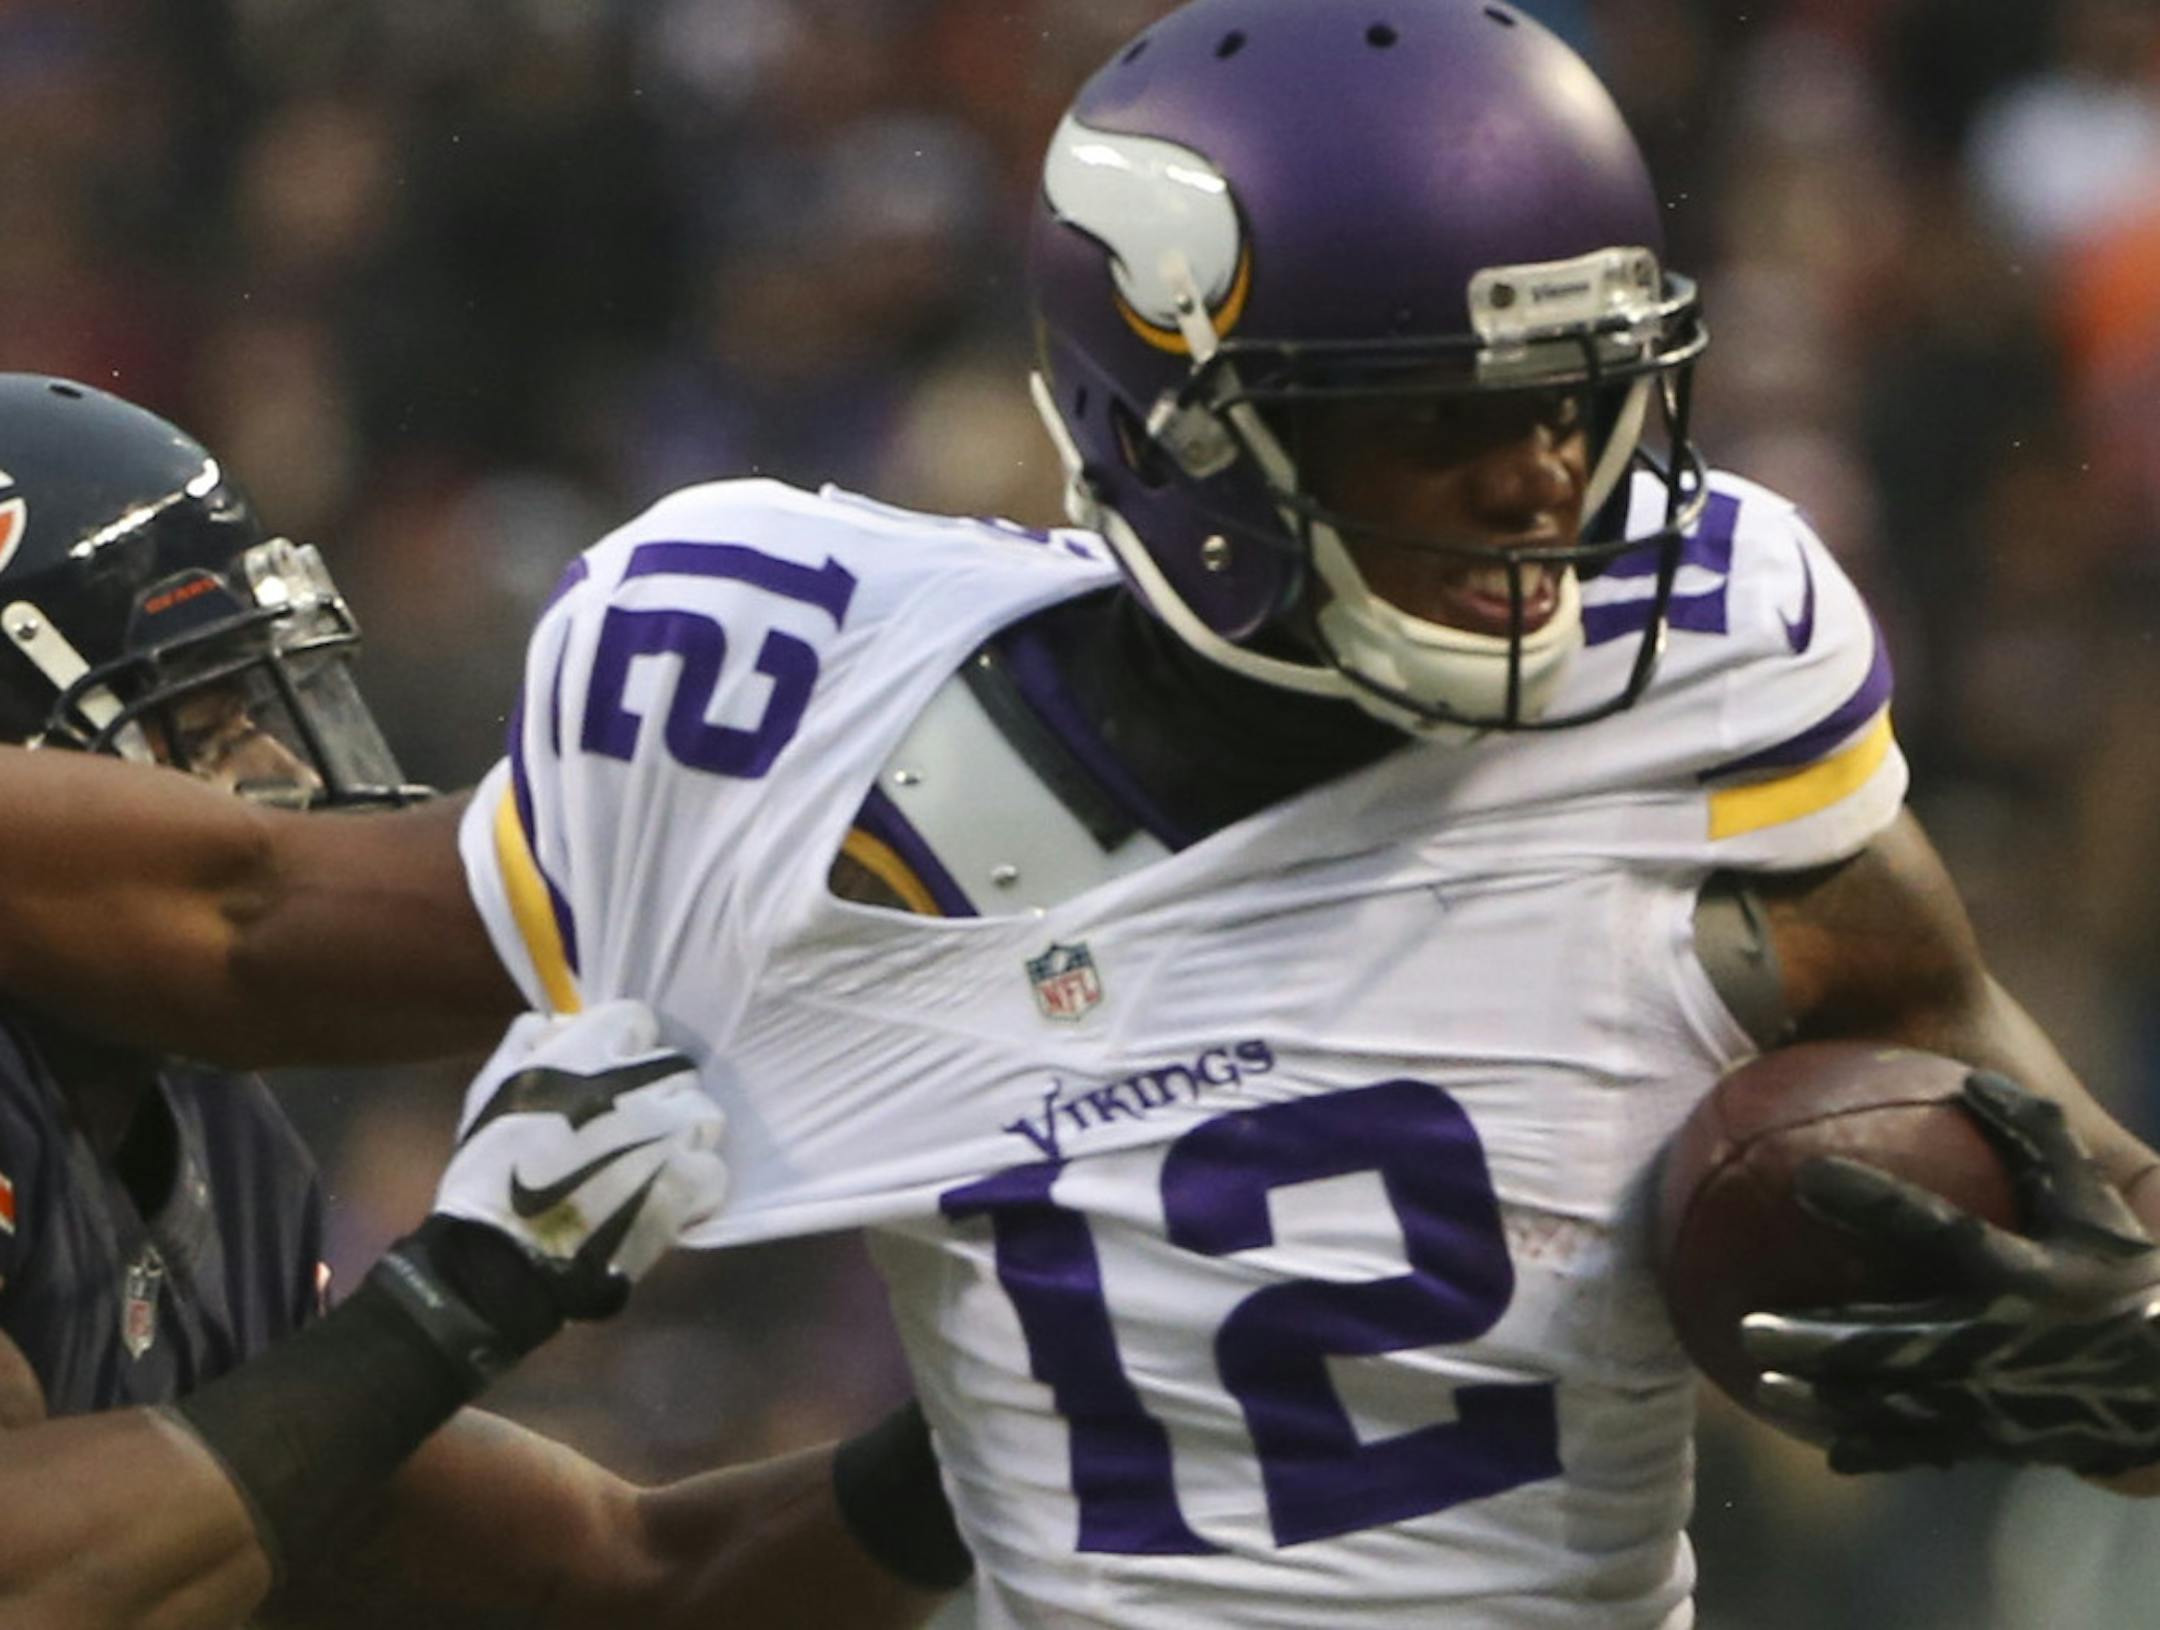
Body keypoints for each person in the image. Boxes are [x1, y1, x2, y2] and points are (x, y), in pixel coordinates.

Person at [0, 1, 2156, 1624]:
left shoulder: (1702, 671)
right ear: (1184, 433)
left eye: (1583, 405)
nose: (1543, 490)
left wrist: (2130, 1334)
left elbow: (2070, 1172)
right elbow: (250, 921)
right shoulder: (794, 718)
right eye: (1441, 418)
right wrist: (461, 1294)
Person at [0, 375, 968, 1629]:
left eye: (254, 705)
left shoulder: (209, 1139)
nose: (280, 767)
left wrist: (1014, 1423)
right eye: (199, 721)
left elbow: (618, 1576)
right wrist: (450, 1302)